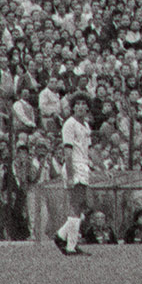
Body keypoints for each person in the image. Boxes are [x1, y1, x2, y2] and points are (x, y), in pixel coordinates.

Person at [53, 96, 97, 256]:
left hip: (83, 166)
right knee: (76, 205)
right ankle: (71, 247)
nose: (80, 106)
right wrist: (70, 175)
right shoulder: (69, 124)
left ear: (87, 108)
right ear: (73, 107)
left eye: (83, 103)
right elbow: (67, 151)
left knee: (83, 205)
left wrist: (101, 166)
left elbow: (90, 149)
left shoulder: (85, 125)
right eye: (77, 104)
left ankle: (60, 236)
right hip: (75, 166)